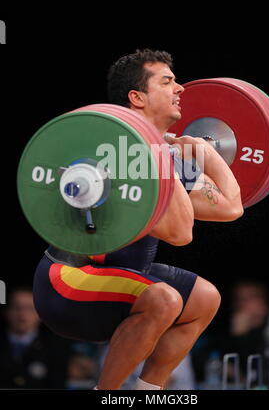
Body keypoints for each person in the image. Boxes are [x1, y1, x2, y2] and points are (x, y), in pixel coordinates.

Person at [32, 49, 244, 390]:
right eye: (168, 81)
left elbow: (230, 207)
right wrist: (162, 156)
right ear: (137, 97)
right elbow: (180, 233)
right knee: (165, 299)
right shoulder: (114, 154)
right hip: (67, 283)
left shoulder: (164, 155)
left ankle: (149, 392)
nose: (181, 89)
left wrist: (204, 153)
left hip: (125, 279)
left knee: (205, 298)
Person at [0, 287, 72, 388]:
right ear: (6, 312)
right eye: (16, 307)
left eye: (29, 308)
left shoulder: (55, 347)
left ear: (40, 314)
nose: (22, 314)